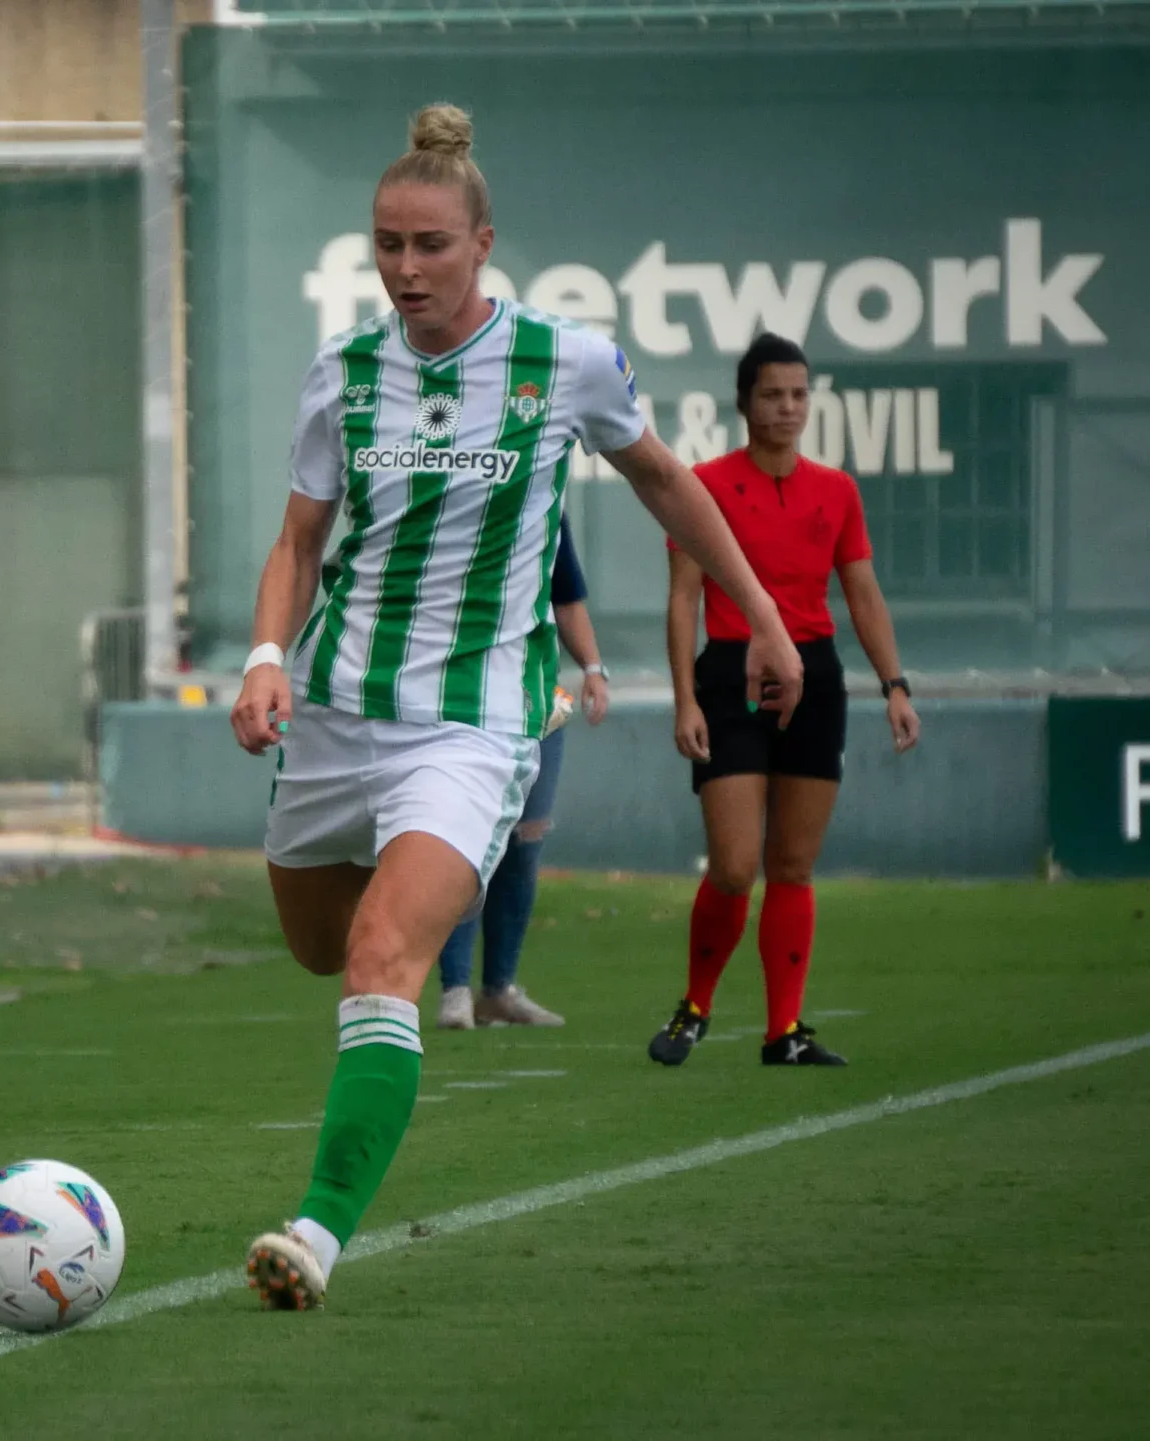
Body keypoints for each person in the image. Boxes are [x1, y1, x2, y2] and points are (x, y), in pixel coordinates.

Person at [228, 104, 803, 1311]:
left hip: (476, 721)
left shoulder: (565, 362)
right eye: (386, 243)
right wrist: (264, 656)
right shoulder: (341, 374)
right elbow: (295, 538)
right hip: (331, 711)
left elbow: (663, 481)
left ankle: (317, 1234)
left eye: (430, 244)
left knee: (384, 958)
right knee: (319, 945)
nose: (404, 268)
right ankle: (347, 1118)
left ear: (483, 242)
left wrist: (755, 610)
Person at [648, 334, 920, 1069]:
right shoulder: (700, 484)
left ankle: (784, 1031)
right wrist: (685, 701)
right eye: (773, 393)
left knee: (793, 865)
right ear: (744, 402)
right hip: (731, 676)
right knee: (735, 865)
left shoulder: (837, 491)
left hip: (817, 676)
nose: (788, 407)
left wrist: (893, 684)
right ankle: (696, 1004)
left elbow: (862, 592)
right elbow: (681, 601)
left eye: (799, 393)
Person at [435, 519, 607, 1030]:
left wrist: (594, 668)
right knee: (463, 841)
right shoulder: (447, 496)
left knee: (526, 839)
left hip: (537, 697)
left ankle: (499, 989)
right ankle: (455, 988)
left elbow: (567, 596)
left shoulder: (548, 504)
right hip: (459, 697)